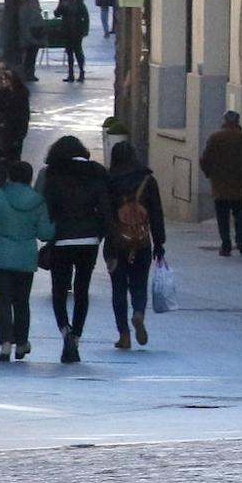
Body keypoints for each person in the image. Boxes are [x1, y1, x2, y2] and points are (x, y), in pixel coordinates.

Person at [39, 135, 111, 363]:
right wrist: (104, 235)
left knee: (59, 291)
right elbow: (106, 206)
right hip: (89, 239)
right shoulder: (97, 172)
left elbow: (42, 203)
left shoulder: (50, 173)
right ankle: (77, 336)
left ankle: (65, 331)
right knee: (82, 290)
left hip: (61, 239)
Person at [0, 161, 55, 362]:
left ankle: (5, 344)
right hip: (25, 258)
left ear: (10, 176)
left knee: (2, 300)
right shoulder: (38, 201)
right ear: (30, 178)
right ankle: (21, 343)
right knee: (21, 301)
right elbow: (45, 233)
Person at [104, 141, 166, 349]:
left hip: (116, 242)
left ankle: (124, 334)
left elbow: (104, 214)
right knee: (139, 283)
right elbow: (156, 214)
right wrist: (159, 242)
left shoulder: (109, 181)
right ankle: (138, 313)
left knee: (118, 289)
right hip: (141, 242)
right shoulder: (148, 181)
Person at [199, 109, 242, 256]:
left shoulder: (215, 138)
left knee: (222, 216)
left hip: (219, 184)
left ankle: (226, 245)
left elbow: (204, 159)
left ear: (225, 121)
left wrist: (209, 173)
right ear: (237, 121)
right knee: (239, 215)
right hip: (239, 184)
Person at [0, 60, 30, 186]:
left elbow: (24, 117)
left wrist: (20, 135)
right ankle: (1, 185)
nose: (3, 81)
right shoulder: (0, 94)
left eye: (6, 79)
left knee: (13, 162)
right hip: (1, 134)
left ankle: (13, 184)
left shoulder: (21, 96)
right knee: (1, 163)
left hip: (14, 135)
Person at [54, 0, 89, 83]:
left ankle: (81, 72)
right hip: (68, 31)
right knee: (69, 53)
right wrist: (62, 6)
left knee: (78, 52)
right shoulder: (64, 2)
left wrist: (85, 30)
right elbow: (56, 13)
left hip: (77, 31)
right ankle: (71, 74)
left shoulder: (79, 3)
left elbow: (86, 17)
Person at [19, 0, 44, 82]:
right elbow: (24, 25)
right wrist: (30, 38)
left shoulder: (31, 8)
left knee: (31, 57)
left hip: (33, 36)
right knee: (28, 58)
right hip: (30, 36)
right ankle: (28, 73)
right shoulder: (26, 9)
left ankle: (30, 73)